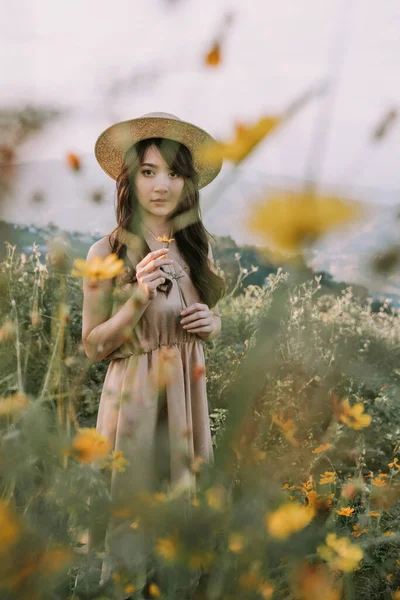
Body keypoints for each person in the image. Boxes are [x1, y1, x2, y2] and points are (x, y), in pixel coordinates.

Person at [82, 112, 226, 591]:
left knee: (179, 527)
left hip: (188, 400)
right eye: (148, 171)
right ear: (130, 179)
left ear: (188, 184)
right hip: (134, 406)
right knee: (129, 521)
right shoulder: (106, 251)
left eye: (174, 172)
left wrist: (213, 322)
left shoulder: (198, 249)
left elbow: (200, 322)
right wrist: (138, 299)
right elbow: (93, 346)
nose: (161, 184)